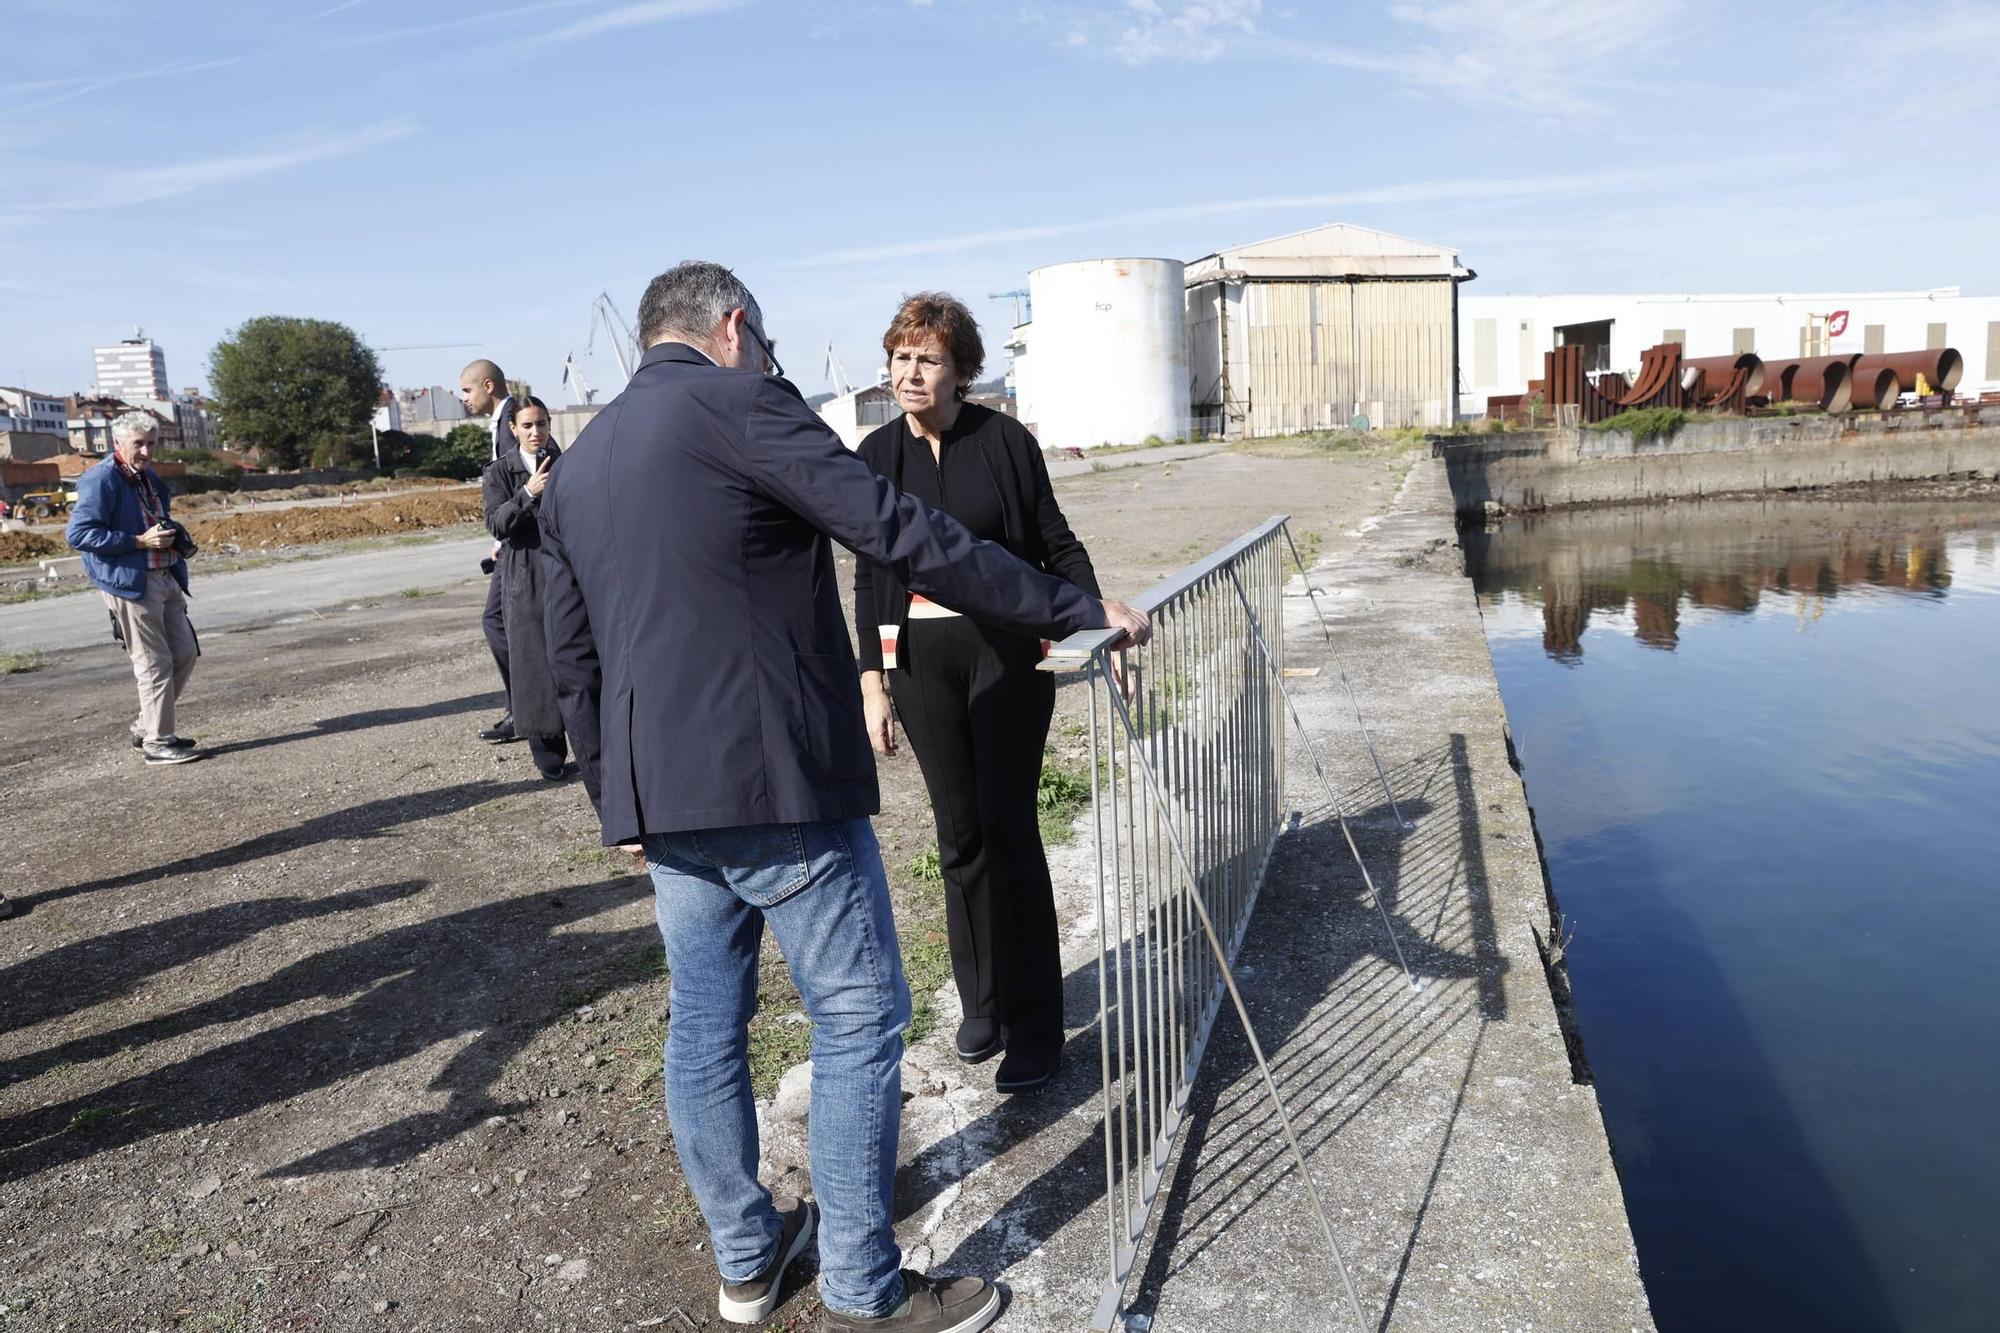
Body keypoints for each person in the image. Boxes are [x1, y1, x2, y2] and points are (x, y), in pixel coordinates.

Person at [537, 261, 1150, 1333]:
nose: (768, 360)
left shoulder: (582, 464)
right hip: (774, 780)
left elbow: (570, 649)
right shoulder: (741, 403)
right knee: (858, 1017)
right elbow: (902, 534)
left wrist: (611, 795)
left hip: (662, 800)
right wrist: (1063, 602)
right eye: (764, 342)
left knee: (704, 1031)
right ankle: (865, 1288)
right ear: (733, 327)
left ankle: (746, 1260)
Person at [852, 293, 1099, 1095]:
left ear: (961, 369)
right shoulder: (876, 453)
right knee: (958, 835)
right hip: (921, 660)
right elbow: (870, 575)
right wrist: (873, 681)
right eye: (900, 357)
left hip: (1005, 656)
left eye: (928, 358)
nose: (911, 372)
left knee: (1009, 829)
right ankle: (981, 1000)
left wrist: (1094, 624)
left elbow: (1055, 540)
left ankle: (1037, 1025)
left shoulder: (1006, 442)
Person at [66, 411, 202, 766]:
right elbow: (78, 535)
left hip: (166, 575)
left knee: (184, 653)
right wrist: (140, 541)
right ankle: (158, 743)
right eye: (137, 444)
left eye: (151, 443)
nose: (145, 451)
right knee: (153, 663)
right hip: (131, 583)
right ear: (118, 444)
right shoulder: (100, 480)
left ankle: (147, 727)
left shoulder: (148, 478)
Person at [480, 396, 571, 781]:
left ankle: (587, 737)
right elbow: (496, 523)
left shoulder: (565, 461)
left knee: (573, 655)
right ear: (513, 429)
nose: (537, 432)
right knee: (533, 662)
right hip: (525, 574)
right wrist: (529, 493)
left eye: (543, 424)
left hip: (565, 568)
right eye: (529, 426)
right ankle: (547, 753)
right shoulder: (501, 471)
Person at [459, 358, 519, 745]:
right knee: (504, 623)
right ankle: (525, 707)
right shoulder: (502, 421)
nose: (464, 398)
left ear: (488, 385)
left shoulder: (513, 420)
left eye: (466, 390)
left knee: (497, 621)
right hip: (510, 538)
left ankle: (525, 708)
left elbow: (521, 481)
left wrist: (502, 539)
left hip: (521, 541)